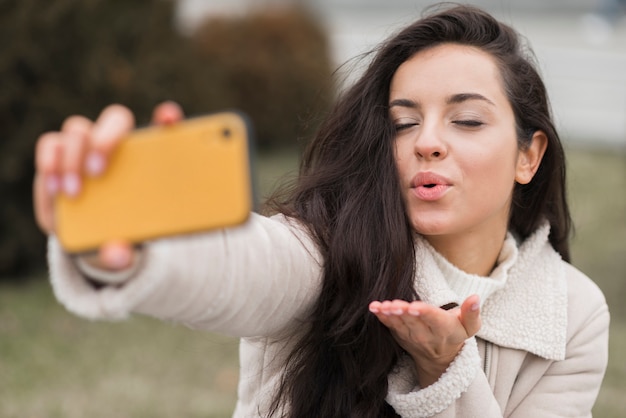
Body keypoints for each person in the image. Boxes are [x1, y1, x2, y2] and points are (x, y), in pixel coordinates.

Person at [33, 4, 609, 417]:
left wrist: (446, 372)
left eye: (466, 120)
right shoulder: (331, 246)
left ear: (528, 156)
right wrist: (137, 240)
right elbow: (243, 264)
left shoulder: (572, 314)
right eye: (403, 121)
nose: (425, 142)